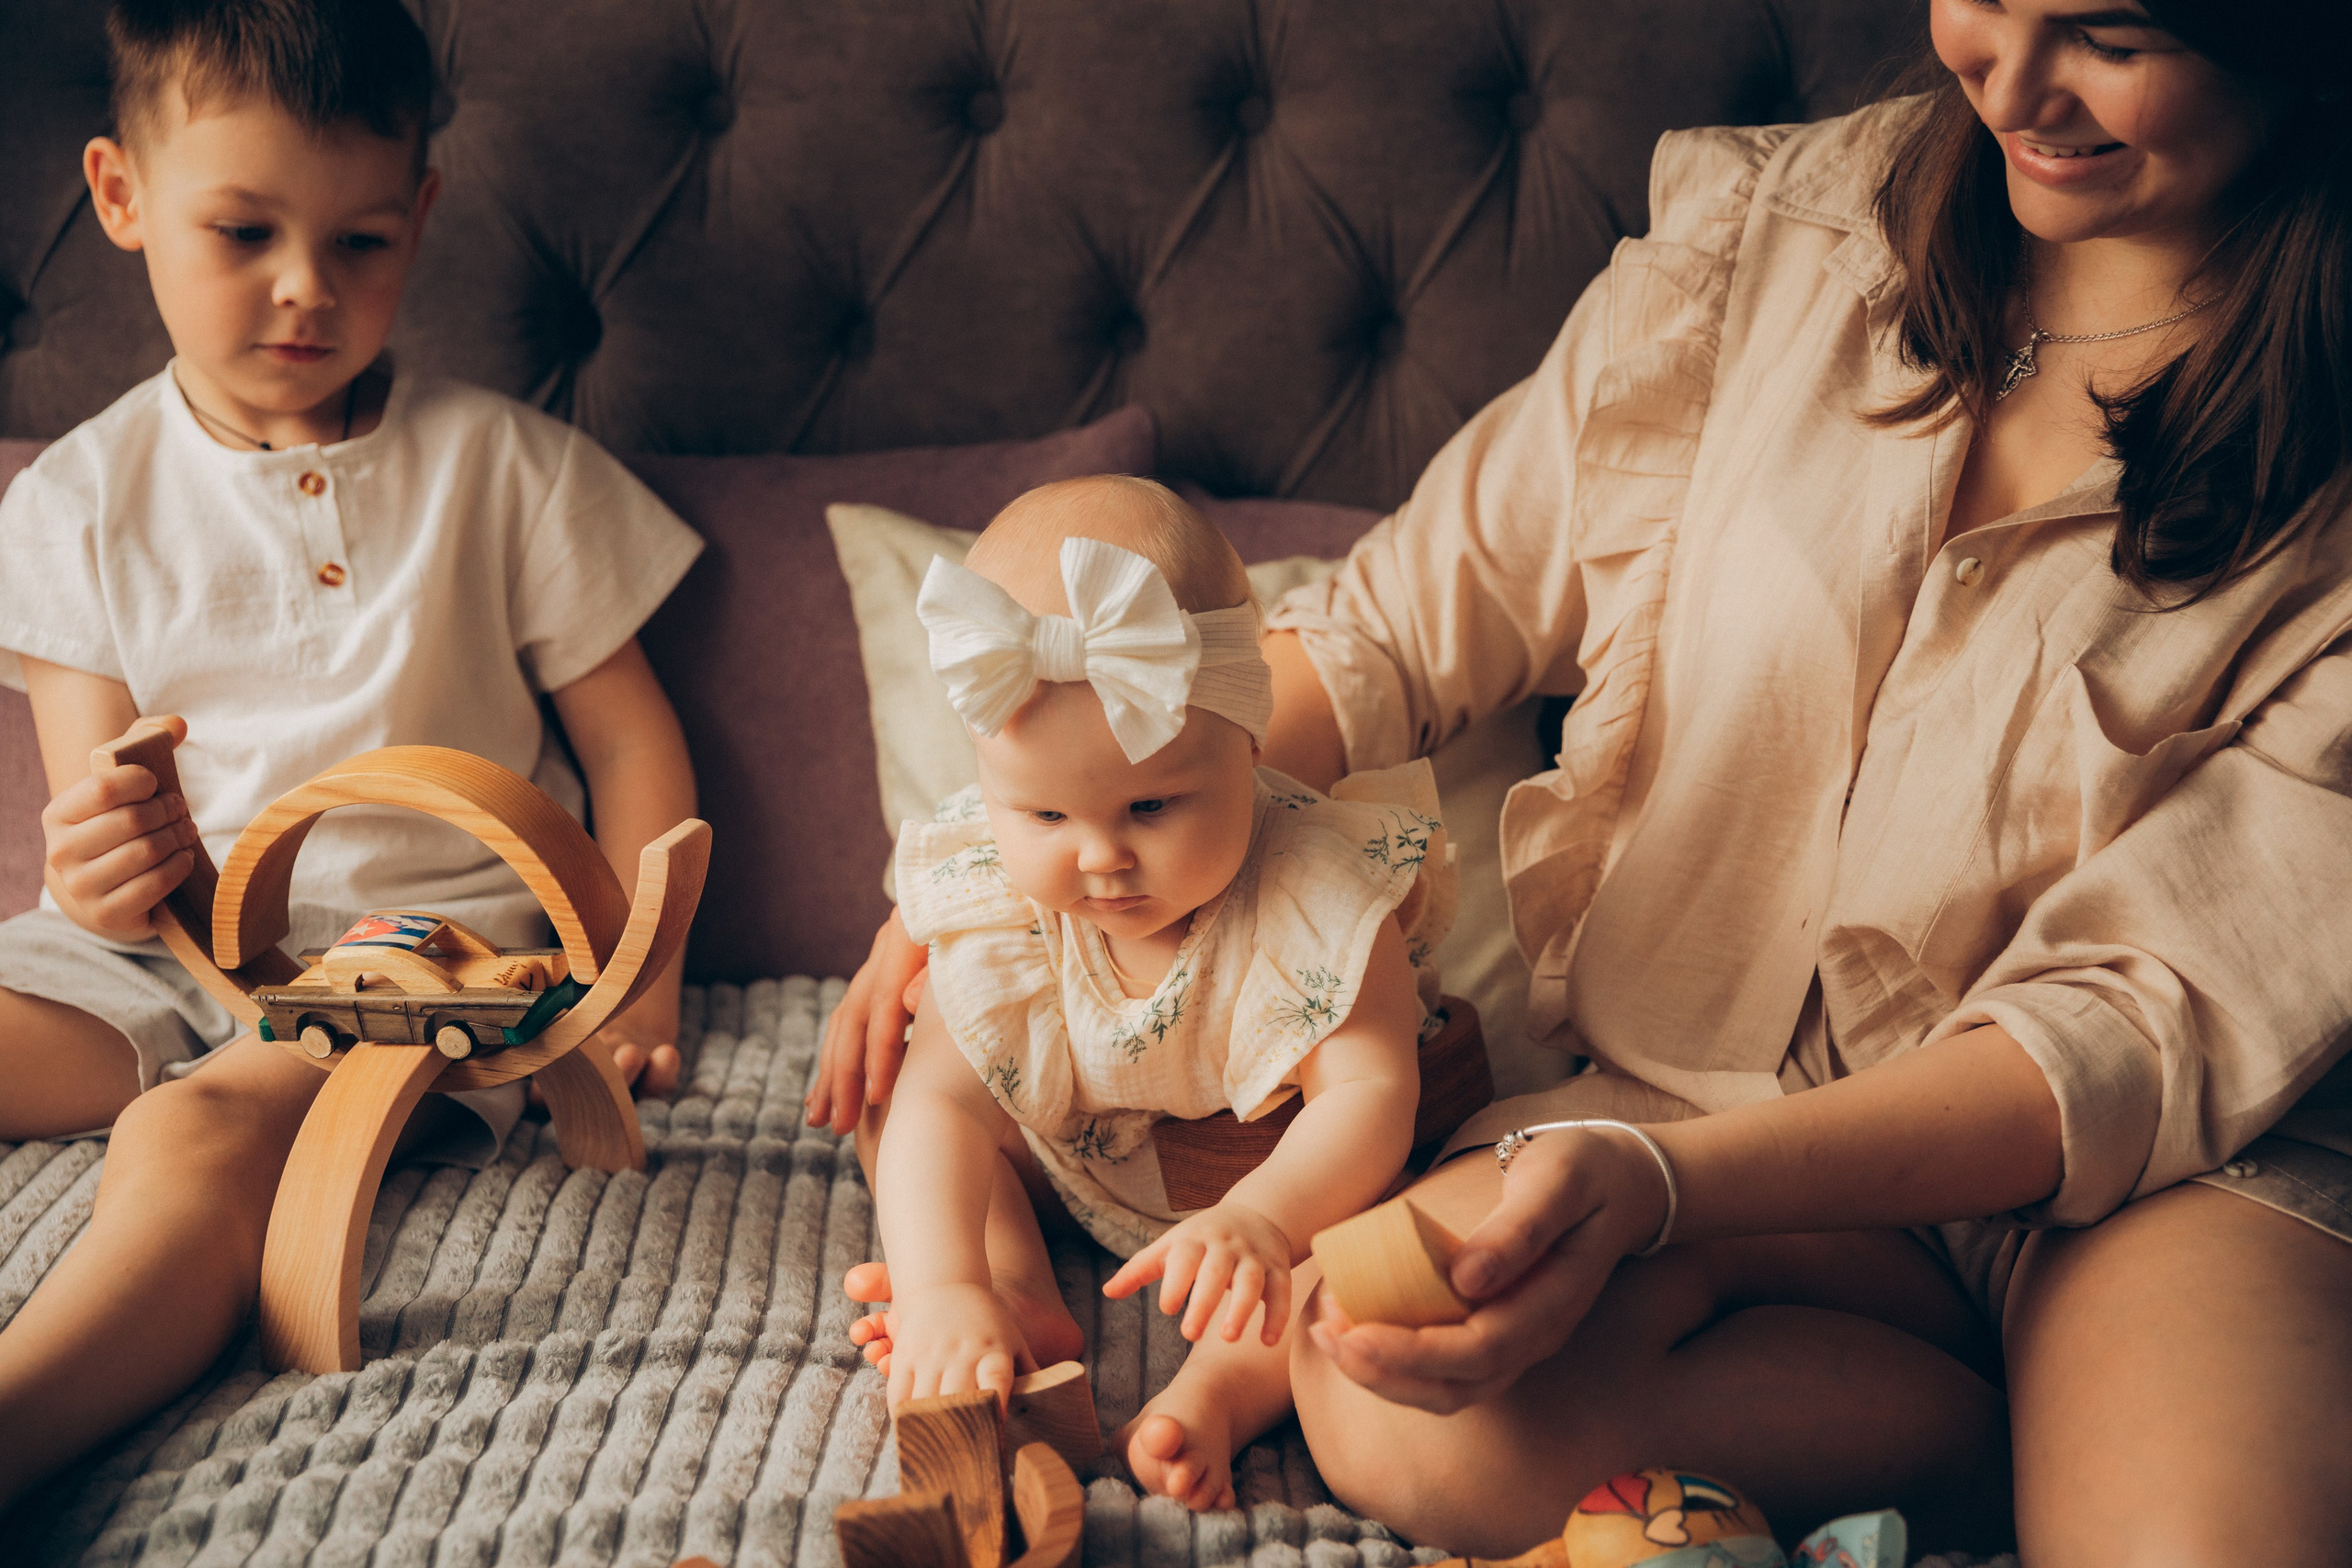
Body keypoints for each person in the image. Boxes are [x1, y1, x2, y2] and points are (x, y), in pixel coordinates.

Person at [811, 0, 2352, 1558]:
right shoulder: (1795, 229)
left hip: (2158, 1170)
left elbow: (2117, 1037)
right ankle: (1996, 1443)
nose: (2008, 85)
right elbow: (1389, 626)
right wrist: (1002, 879)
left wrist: (1662, 1189)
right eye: (1992, 1)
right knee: (1391, 1388)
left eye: (2110, 32)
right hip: (1675, 1103)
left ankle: (2090, 1404)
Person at [0, 0, 704, 1507]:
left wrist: (635, 981)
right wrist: (101, 864)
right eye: (242, 233)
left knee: (202, 1130)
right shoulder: (74, 502)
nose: (304, 292)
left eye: (362, 243)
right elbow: (100, 821)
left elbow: (635, 745)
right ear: (121, 196)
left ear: (420, 218)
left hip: (420, 954)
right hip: (151, 953)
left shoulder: (504, 467)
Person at [842, 475, 1449, 1414]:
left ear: (1248, 742)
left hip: (1274, 1182)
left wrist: (1261, 1218)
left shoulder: (1316, 895)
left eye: (1151, 806)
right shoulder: (1003, 907)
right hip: (1077, 1162)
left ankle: (1219, 1393)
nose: (1099, 857)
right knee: (895, 1109)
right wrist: (938, 1288)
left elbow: (1370, 1094)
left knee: (1382, 1228)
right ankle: (1009, 1290)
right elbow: (945, 1112)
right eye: (1043, 811)